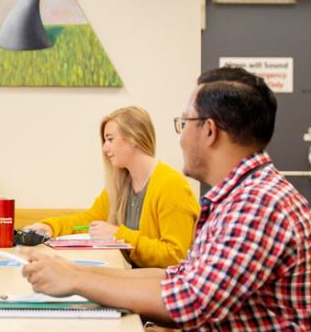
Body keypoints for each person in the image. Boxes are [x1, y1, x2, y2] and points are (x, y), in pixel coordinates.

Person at [21, 67, 311, 332]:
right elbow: (179, 275)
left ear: (208, 131)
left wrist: (75, 279)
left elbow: (188, 300)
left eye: (184, 123)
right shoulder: (237, 197)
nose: (180, 138)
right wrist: (73, 272)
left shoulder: (258, 204)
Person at [25, 106, 199, 268]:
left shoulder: (171, 186)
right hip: (133, 281)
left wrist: (119, 235)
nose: (104, 148)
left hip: (162, 288)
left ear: (134, 137)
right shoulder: (120, 184)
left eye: (110, 139)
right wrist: (50, 227)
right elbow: (88, 221)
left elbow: (176, 256)